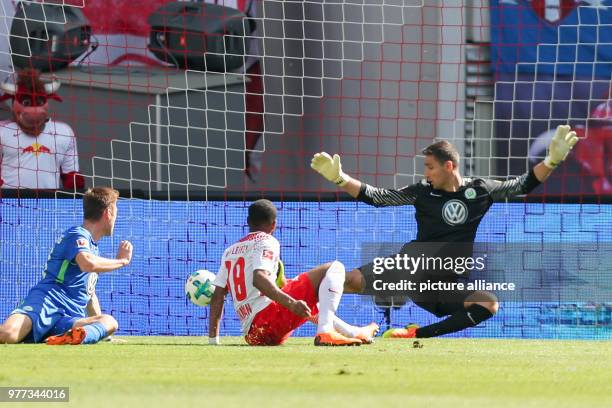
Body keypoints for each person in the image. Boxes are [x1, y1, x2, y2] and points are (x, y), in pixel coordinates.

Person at [311, 125, 579, 338]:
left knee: (488, 303)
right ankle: (297, 296)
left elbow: (521, 185)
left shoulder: (481, 190)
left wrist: (552, 160)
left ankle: (418, 335)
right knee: (350, 281)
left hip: (445, 282)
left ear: (448, 166)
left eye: (430, 167)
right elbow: (380, 197)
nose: (426, 174)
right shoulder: (422, 192)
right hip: (411, 267)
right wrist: (340, 179)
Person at [208, 199, 379, 346]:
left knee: (314, 293)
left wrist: (212, 340)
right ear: (274, 224)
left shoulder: (230, 251)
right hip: (269, 322)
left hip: (253, 336)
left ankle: (353, 332)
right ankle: (326, 332)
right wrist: (291, 303)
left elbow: (218, 296)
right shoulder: (267, 241)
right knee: (335, 268)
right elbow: (259, 278)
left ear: (248, 221)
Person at [0, 187, 132, 344]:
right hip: (46, 303)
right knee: (6, 334)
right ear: (108, 212)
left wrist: (104, 334)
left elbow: (89, 294)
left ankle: (68, 338)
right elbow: (87, 263)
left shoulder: (92, 248)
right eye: (116, 211)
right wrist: (122, 261)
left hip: (68, 319)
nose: (116, 217)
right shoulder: (77, 234)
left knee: (109, 322)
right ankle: (62, 336)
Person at [0, 69, 85, 190]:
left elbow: (71, 175)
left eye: (39, 102)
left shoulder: (63, 132)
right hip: (10, 203)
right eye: (26, 102)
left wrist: (74, 199)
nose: (34, 110)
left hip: (48, 202)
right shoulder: (3, 131)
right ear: (14, 103)